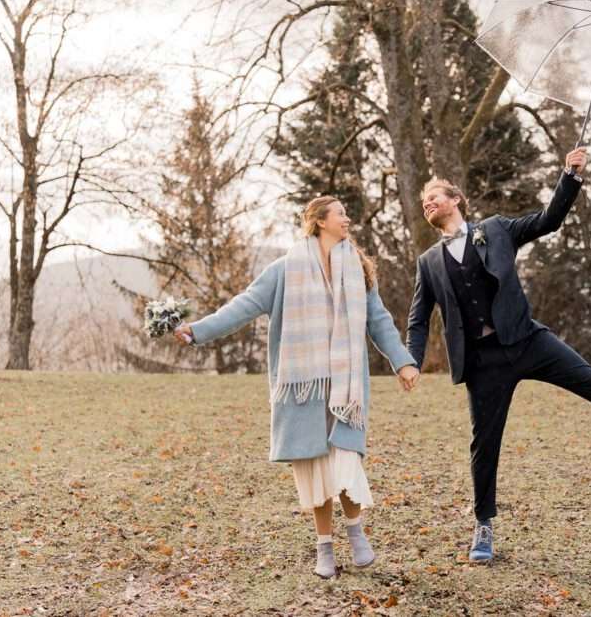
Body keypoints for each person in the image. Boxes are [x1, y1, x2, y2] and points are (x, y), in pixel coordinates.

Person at [406, 147, 591, 564]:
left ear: (456, 200)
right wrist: (410, 359)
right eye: (423, 203)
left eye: (435, 196)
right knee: (484, 444)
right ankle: (484, 526)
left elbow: (549, 220)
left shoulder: (495, 229)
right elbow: (419, 317)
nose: (428, 203)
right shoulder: (428, 263)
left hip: (527, 339)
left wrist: (571, 176)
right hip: (482, 362)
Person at [175, 196, 420, 579]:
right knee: (315, 468)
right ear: (320, 221)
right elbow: (244, 305)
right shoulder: (285, 269)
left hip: (346, 387)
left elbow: (379, 320)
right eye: (341, 213)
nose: (348, 219)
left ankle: (355, 533)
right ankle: (324, 548)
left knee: (345, 462)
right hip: (303, 389)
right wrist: (198, 330)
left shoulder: (355, 269)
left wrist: (402, 361)